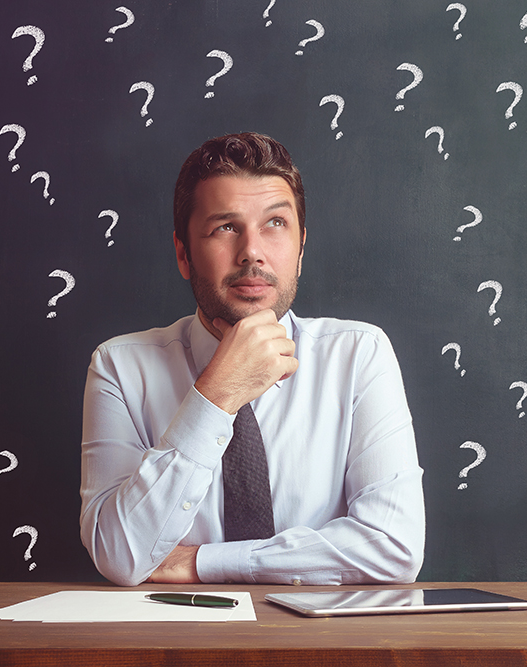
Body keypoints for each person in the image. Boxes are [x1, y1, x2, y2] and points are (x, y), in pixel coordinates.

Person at [79, 132, 425, 587]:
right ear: (184, 254)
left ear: (301, 249)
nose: (252, 252)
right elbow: (120, 554)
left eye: (275, 224)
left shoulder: (359, 355)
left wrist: (201, 562)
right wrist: (216, 395)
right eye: (225, 227)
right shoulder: (119, 369)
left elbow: (394, 547)